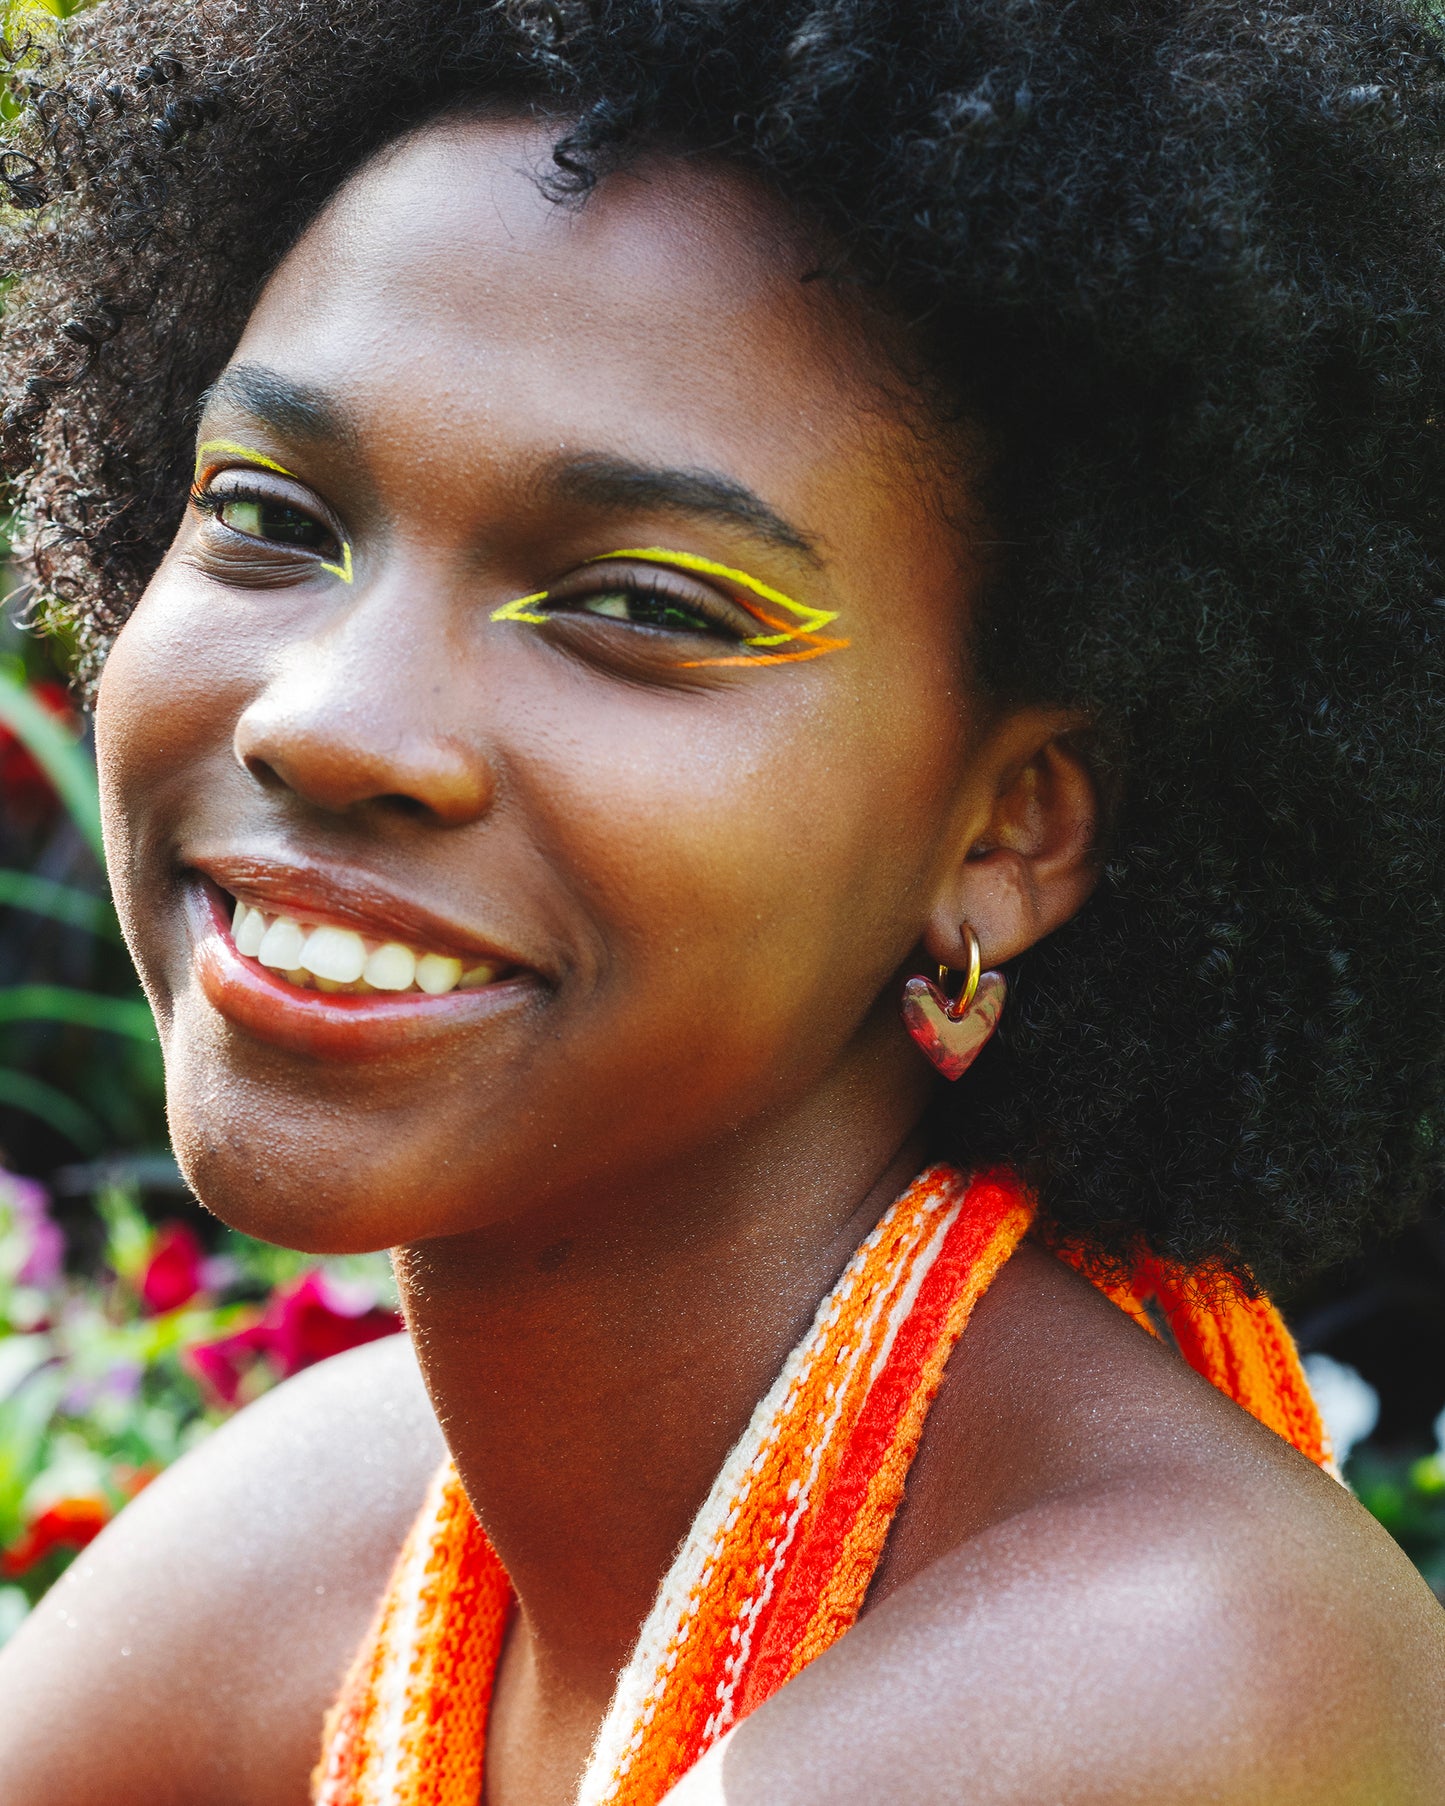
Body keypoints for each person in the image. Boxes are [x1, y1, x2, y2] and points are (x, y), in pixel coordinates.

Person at [0, 0, 1442, 1800]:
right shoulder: (317, 1533)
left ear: (1003, 831)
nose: (328, 719)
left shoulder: (1173, 1669)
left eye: (644, 607)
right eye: (273, 514)